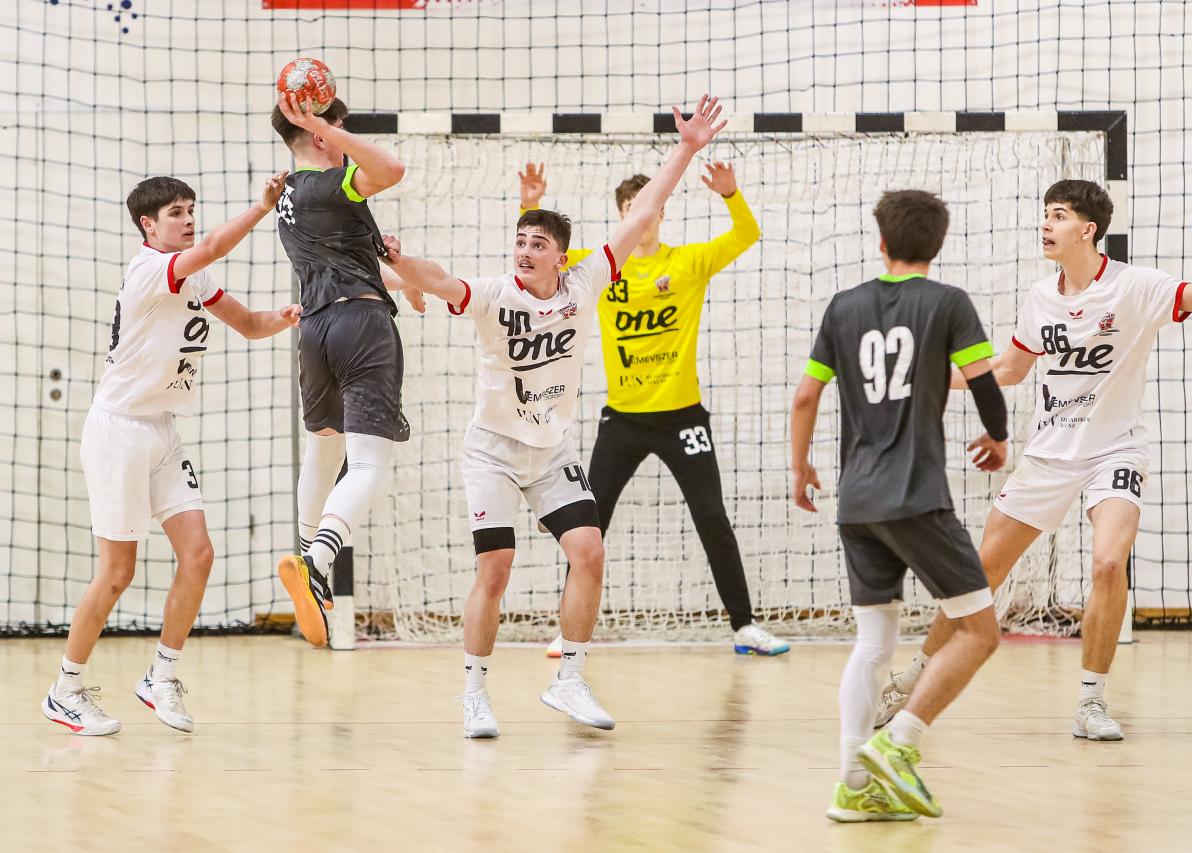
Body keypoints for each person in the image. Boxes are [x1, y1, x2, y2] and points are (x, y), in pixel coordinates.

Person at [382, 95, 728, 738]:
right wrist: (400, 264)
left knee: (588, 552)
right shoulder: (494, 295)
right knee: (496, 568)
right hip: (491, 451)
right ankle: (474, 693)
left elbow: (643, 212)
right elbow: (440, 278)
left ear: (560, 257)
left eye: (537, 244)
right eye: (519, 241)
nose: (524, 250)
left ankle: (569, 679)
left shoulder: (586, 283)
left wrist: (686, 148)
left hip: (551, 452)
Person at [873, 182, 1192, 742]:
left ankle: (1091, 700)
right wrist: (929, 378)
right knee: (980, 575)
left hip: (1116, 449)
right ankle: (912, 678)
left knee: (1108, 564)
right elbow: (1008, 370)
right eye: (1045, 214)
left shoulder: (1136, 286)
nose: (1046, 224)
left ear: (1088, 230)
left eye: (1059, 215)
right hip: (1050, 454)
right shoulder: (1040, 297)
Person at [42, 172, 299, 735]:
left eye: (190, 209)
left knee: (199, 554)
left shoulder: (193, 276)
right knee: (118, 572)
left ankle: (160, 677)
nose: (187, 219)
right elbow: (212, 246)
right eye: (175, 213)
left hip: (162, 429)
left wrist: (287, 317)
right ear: (148, 225)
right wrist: (262, 208)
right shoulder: (150, 270)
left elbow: (249, 325)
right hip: (118, 432)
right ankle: (65, 689)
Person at [790, 190, 1009, 820]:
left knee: (874, 642)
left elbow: (805, 397)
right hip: (915, 496)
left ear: (881, 242)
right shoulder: (947, 303)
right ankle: (900, 741)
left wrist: (800, 466)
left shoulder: (843, 306)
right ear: (937, 245)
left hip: (856, 501)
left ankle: (853, 784)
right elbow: (984, 383)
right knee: (979, 630)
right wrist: (997, 437)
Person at [518, 161, 788, 657]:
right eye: (630, 208)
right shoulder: (600, 267)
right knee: (588, 525)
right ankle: (569, 630)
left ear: (661, 212)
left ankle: (744, 625)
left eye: (649, 206)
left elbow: (747, 234)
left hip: (683, 417)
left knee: (712, 516)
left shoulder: (688, 262)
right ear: (623, 216)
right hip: (623, 420)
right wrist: (531, 205)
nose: (641, 215)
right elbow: (544, 263)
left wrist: (731, 193)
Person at [269, 92, 423, 649]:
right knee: (369, 464)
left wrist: (404, 276)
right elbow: (392, 169)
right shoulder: (327, 184)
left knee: (324, 450)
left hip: (315, 332)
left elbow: (354, 256)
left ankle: (307, 557)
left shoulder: (287, 195)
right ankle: (318, 560)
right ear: (319, 136)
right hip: (360, 326)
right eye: (337, 133)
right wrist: (326, 127)